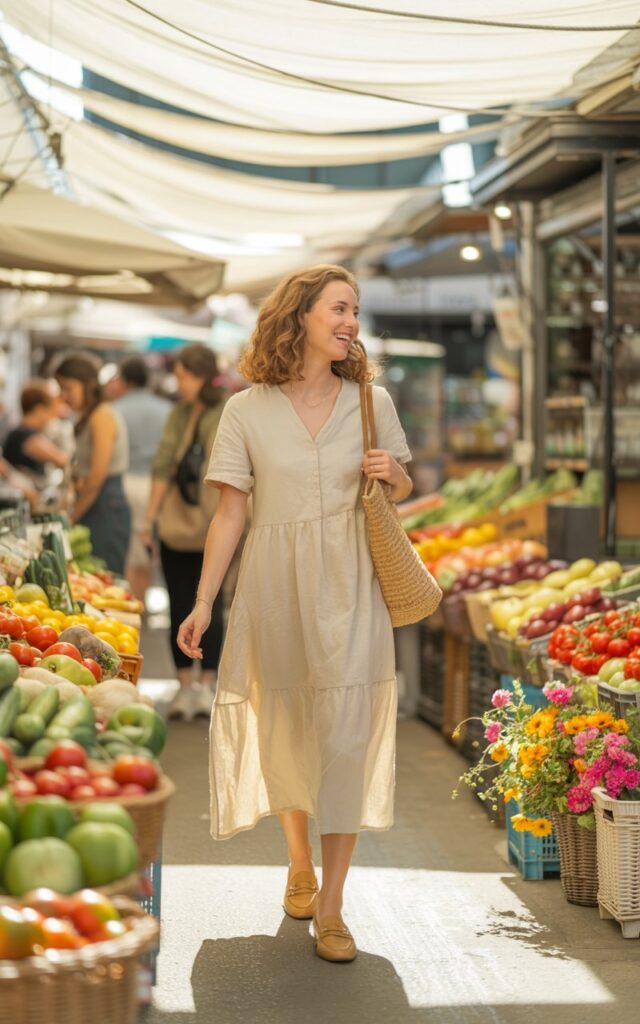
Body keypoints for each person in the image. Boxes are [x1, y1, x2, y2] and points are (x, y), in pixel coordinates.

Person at [177, 265, 413, 963]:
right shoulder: (245, 410)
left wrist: (390, 475)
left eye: (356, 310)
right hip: (274, 588)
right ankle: (298, 862)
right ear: (300, 314)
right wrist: (200, 601)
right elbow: (230, 511)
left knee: (343, 736)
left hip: (352, 586)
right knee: (286, 726)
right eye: (340, 308)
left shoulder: (374, 400)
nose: (351, 321)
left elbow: (402, 484)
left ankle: (333, 907)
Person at [142, 344, 226, 722]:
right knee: (179, 599)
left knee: (211, 603)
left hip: (216, 520)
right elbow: (162, 465)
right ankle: (183, 684)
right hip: (179, 524)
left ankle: (207, 683)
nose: (181, 383)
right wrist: (149, 519)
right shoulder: (178, 413)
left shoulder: (226, 410)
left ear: (204, 375)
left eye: (186, 375)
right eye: (178, 375)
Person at [55, 354, 131, 576]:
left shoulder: (102, 415)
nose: (63, 396)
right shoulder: (91, 415)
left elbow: (97, 476)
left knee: (105, 578)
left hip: (105, 504)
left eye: (67, 387)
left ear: (86, 384)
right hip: (95, 502)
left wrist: (71, 517)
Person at [111, 356, 171, 600]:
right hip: (159, 484)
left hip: (128, 481)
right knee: (148, 546)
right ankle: (141, 600)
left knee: (133, 546)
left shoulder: (116, 409)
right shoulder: (166, 409)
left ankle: (133, 602)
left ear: (125, 381)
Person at [3, 380, 70, 487]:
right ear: (39, 410)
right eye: (51, 409)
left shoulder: (18, 432)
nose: (54, 415)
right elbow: (63, 461)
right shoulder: (27, 437)